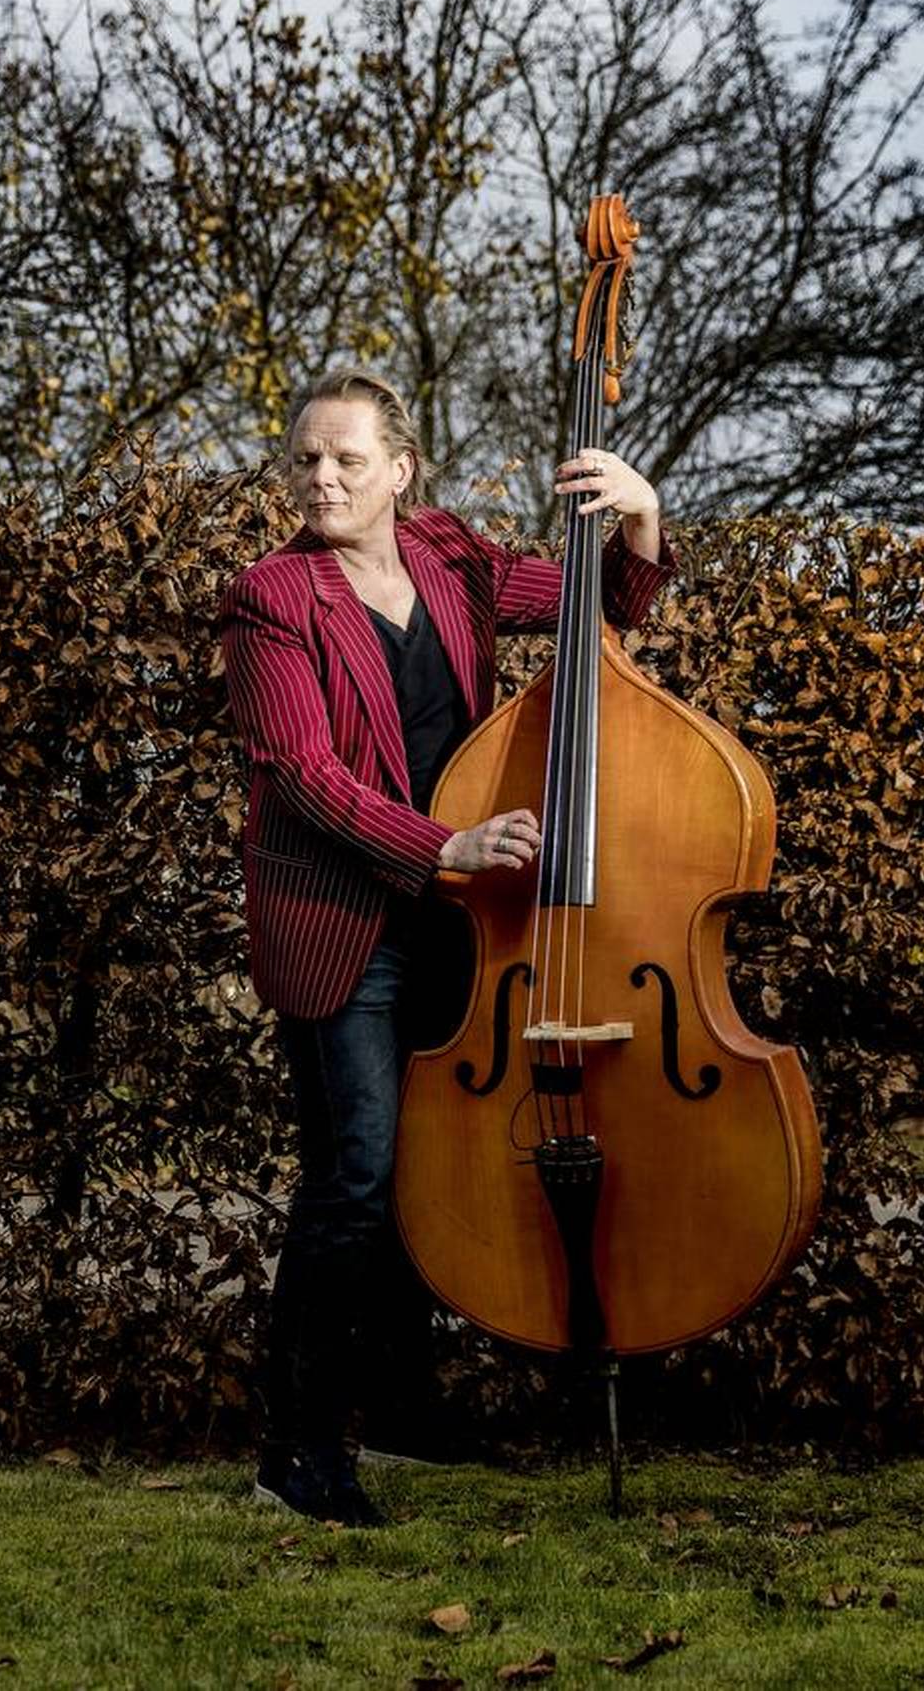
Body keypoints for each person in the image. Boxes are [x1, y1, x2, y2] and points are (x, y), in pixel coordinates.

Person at [218, 369, 673, 1526]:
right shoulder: (270, 595)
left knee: (421, 1177)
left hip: (456, 922)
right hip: (343, 918)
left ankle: (410, 1417)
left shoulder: (449, 560)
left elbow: (600, 607)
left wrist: (639, 513)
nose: (320, 478)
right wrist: (447, 844)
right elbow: (303, 778)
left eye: (346, 460)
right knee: (354, 1179)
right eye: (306, 460)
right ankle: (297, 1447)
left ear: (400, 468)